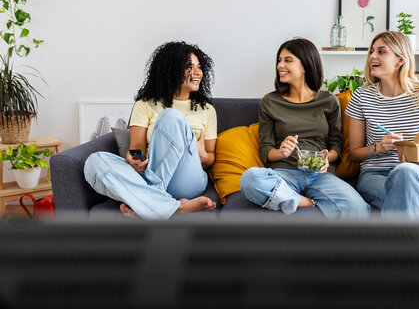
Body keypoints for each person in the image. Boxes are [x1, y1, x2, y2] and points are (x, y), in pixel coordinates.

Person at [84, 41, 218, 219]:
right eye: (189, 67)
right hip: (147, 172)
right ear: (171, 70)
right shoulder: (144, 104)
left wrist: (202, 155)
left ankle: (148, 199)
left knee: (171, 117)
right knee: (94, 161)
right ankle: (171, 207)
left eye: (199, 67)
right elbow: (136, 149)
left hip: (187, 178)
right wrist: (134, 158)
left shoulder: (207, 110)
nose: (197, 73)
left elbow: (210, 159)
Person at [240, 38, 370, 219]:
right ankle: (305, 202)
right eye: (279, 60)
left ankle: (287, 200)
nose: (280, 65)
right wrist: (282, 152)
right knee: (250, 179)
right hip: (284, 174)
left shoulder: (328, 101)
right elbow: (266, 149)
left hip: (320, 175)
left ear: (305, 66)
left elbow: (336, 145)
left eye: (288, 60)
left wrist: (326, 158)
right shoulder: (270, 102)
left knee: (359, 209)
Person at [346, 31, 419, 220]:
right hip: (375, 174)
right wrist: (379, 147)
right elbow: (354, 153)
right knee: (408, 195)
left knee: (406, 171)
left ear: (400, 60)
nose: (372, 56)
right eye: (371, 51)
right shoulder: (361, 96)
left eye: (381, 51)